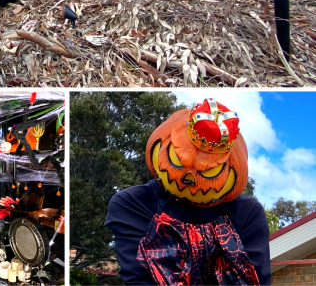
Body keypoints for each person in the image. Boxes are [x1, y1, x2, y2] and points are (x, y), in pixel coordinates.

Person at [105, 98, 270, 286]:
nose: (189, 178)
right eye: (178, 160)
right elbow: (138, 279)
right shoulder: (133, 205)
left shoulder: (247, 214)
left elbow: (257, 279)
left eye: (209, 171)